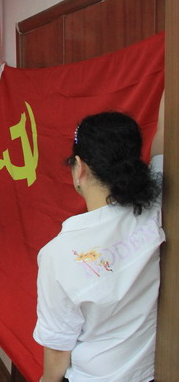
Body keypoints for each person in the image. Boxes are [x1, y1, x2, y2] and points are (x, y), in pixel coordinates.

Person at [33, 102, 165, 382]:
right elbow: (165, 131)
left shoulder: (59, 254)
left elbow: (57, 350)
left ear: (79, 168)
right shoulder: (158, 205)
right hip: (151, 374)